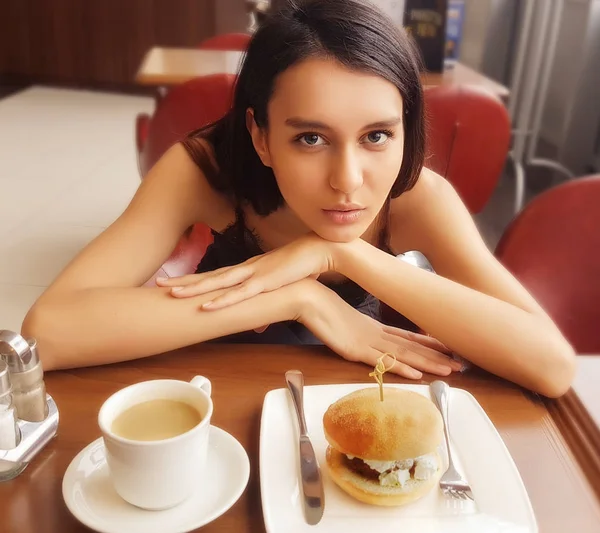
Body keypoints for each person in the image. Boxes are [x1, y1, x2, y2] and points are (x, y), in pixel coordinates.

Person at [22, 0, 575, 397]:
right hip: (216, 405)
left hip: (349, 412)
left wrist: (342, 254)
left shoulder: (417, 197)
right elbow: (48, 332)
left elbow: (551, 365)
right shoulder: (204, 170)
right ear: (261, 137)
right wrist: (297, 297)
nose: (348, 180)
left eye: (377, 135)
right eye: (311, 138)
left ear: (406, 131)